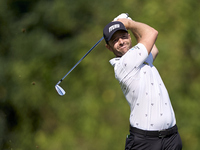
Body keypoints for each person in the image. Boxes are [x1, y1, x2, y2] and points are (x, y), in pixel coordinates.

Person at [103, 14, 182, 150]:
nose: (121, 41)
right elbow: (152, 33)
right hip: (146, 142)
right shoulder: (124, 64)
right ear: (109, 47)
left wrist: (130, 23)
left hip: (171, 138)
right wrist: (129, 23)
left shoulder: (139, 57)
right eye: (115, 40)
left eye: (123, 36)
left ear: (129, 37)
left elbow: (154, 49)